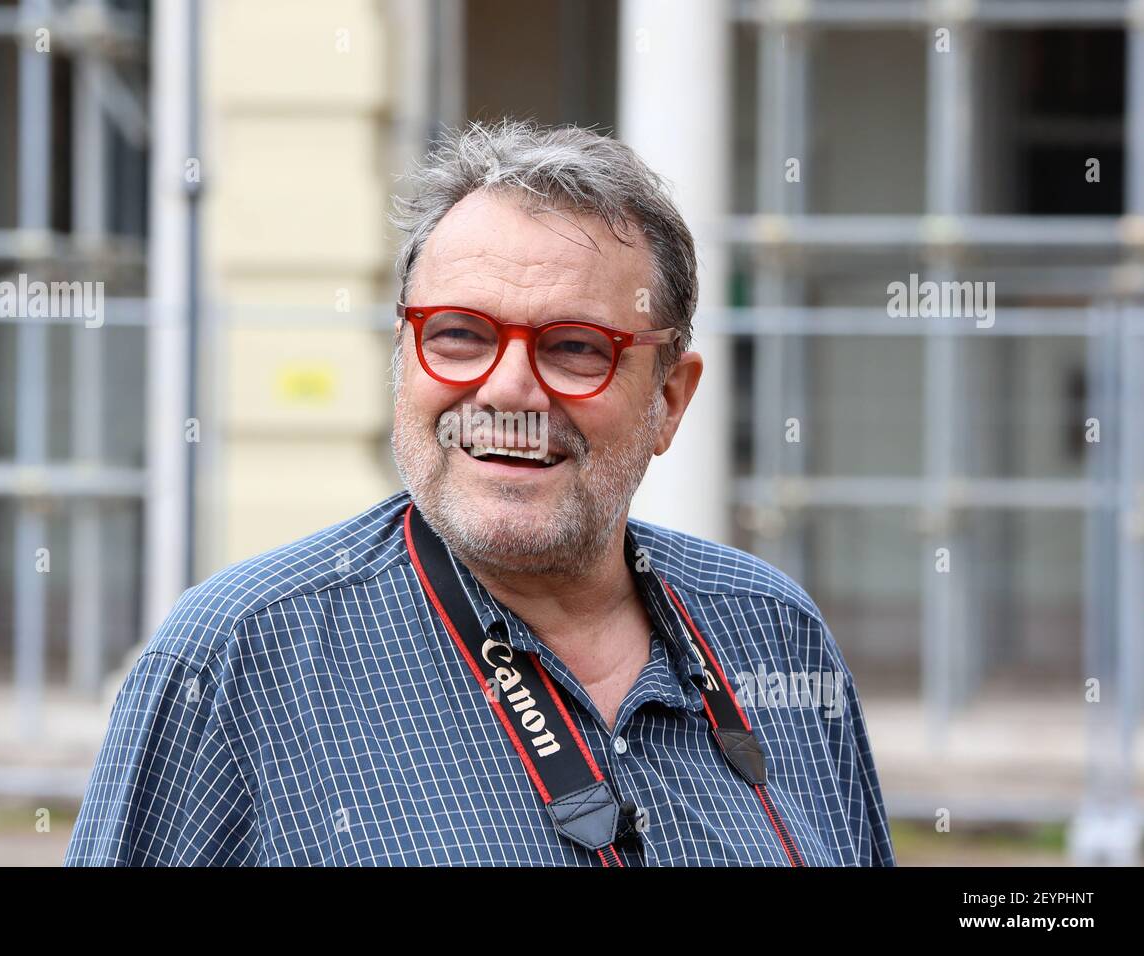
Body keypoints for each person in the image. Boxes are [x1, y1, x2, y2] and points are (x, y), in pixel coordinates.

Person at [65, 119, 895, 866]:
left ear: (668, 401)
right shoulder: (235, 660)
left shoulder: (774, 633)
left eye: (576, 348)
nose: (507, 391)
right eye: (459, 335)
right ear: (402, 360)